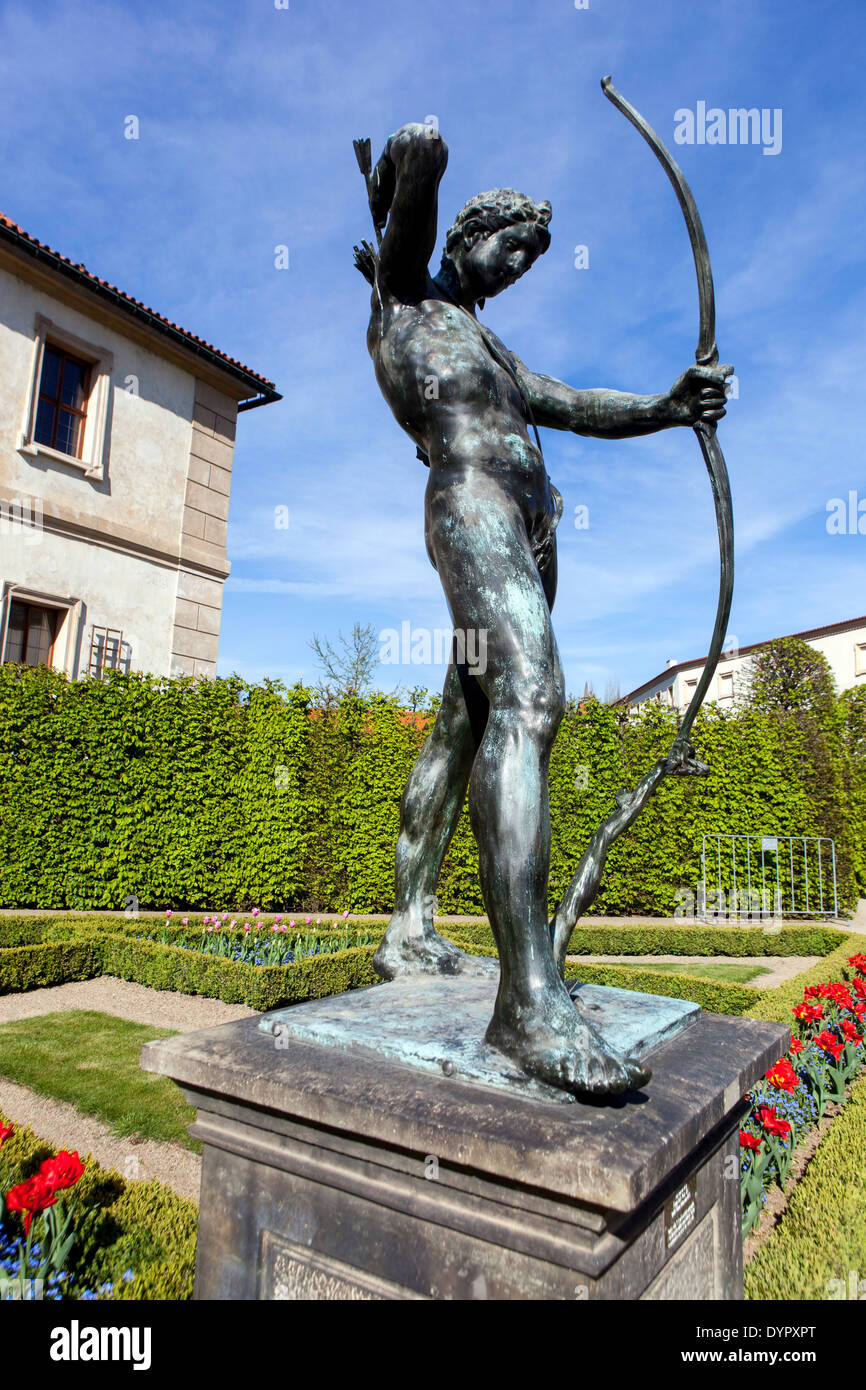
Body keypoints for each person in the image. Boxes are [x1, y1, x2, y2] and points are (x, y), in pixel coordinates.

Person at [358, 122, 731, 1095]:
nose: (516, 267)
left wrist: (667, 404)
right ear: (461, 237)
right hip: (472, 509)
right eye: (508, 247)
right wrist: (423, 159)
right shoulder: (405, 299)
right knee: (529, 697)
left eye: (528, 258)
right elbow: (407, 226)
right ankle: (527, 1003)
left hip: (529, 528)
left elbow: (568, 403)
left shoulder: (488, 343)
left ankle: (408, 926)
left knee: (466, 717)